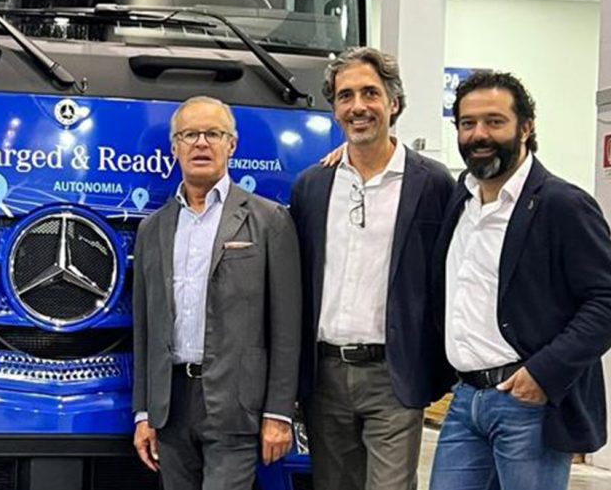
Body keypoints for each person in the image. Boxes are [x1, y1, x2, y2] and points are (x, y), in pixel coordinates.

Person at [429, 71, 611, 490]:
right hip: (465, 400)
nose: (479, 134)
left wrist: (544, 374)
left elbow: (605, 300)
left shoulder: (562, 205)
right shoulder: (460, 200)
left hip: (527, 403)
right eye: (468, 123)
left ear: (526, 127)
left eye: (495, 121)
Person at [289, 47, 454, 490]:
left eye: (370, 93)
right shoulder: (312, 186)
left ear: (393, 102)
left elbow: (447, 276)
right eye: (345, 96)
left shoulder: (433, 183)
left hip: (393, 375)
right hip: (324, 376)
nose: (357, 106)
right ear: (334, 109)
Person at [131, 95, 302, 490]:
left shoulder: (269, 221)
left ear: (232, 144)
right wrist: (144, 412)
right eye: (189, 135)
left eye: (213, 134)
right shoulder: (152, 229)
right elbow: (144, 328)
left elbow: (287, 327)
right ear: (174, 148)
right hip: (170, 407)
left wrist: (280, 412)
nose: (201, 144)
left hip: (237, 405)